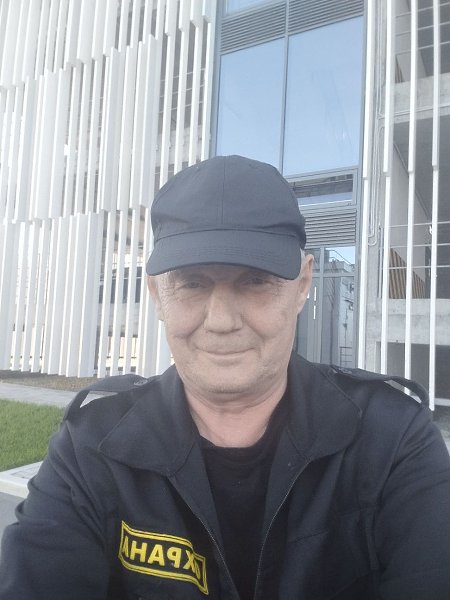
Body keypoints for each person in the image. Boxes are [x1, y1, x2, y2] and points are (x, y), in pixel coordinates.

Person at [1, 155, 449, 600]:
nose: (220, 321)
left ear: (302, 286)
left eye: (255, 281)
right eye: (192, 283)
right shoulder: (91, 447)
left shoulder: (392, 439)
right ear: (157, 294)